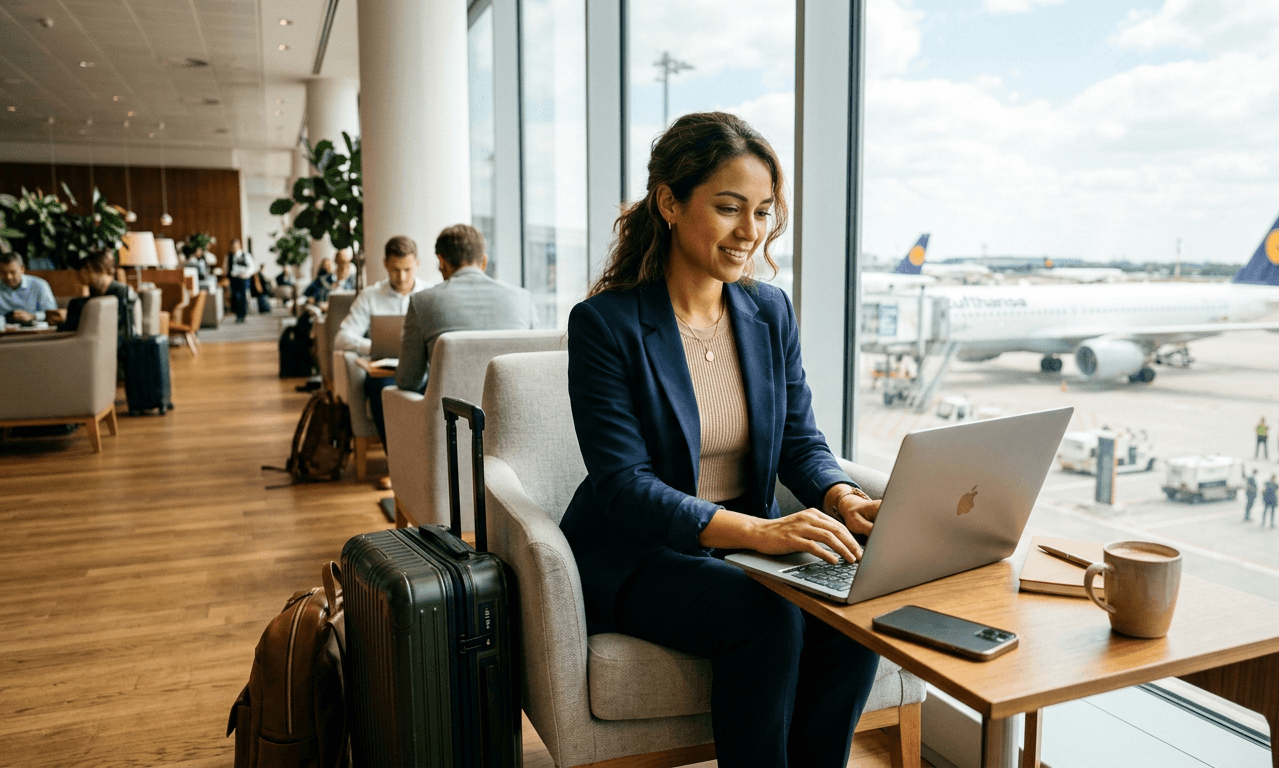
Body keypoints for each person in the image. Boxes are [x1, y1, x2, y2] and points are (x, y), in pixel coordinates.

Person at [557, 112, 881, 767]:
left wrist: (841, 495)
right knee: (764, 615)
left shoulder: (769, 311)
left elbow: (800, 439)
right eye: (730, 208)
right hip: (637, 551)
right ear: (669, 203)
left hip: (744, 545)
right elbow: (624, 485)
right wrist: (759, 534)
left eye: (763, 212)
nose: (750, 233)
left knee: (855, 607)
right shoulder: (606, 324)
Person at [394, 224, 534, 394]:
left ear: (441, 262)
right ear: (483, 261)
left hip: (449, 416)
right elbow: (533, 370)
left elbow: (408, 380)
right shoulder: (523, 298)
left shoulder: (422, 301)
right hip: (513, 412)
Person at [336, 235, 432, 457]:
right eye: (395, 270)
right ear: (385, 264)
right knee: (382, 390)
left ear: (417, 264)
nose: (401, 277)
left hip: (424, 370)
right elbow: (342, 337)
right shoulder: (370, 297)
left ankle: (427, 460)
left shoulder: (431, 295)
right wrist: (375, 347)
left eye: (408, 269)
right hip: (385, 372)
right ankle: (398, 463)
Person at [61, 251, 136, 342]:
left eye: (86, 270)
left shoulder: (122, 293)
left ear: (100, 269)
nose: (81, 274)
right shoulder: (89, 296)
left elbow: (125, 333)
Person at [0, 252, 62, 325]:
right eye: (3, 272)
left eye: (13, 272)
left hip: (35, 330)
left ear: (22, 269)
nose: (8, 277)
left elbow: (53, 313)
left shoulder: (39, 285)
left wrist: (33, 316)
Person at [226, 239, 255, 323]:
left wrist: (245, 274)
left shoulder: (246, 255)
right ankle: (238, 315)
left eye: (235, 246)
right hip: (234, 279)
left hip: (243, 279)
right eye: (232, 247)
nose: (234, 248)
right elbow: (227, 268)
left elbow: (251, 268)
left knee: (243, 297)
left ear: (239, 246)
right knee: (235, 297)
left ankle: (242, 315)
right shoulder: (230, 256)